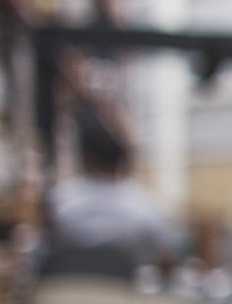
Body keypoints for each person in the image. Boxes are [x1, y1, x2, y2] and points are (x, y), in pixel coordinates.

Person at [44, 113, 181, 276]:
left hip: (68, 293)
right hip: (125, 297)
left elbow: (48, 249)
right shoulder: (146, 208)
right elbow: (166, 259)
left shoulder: (60, 201)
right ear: (123, 157)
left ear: (86, 156)